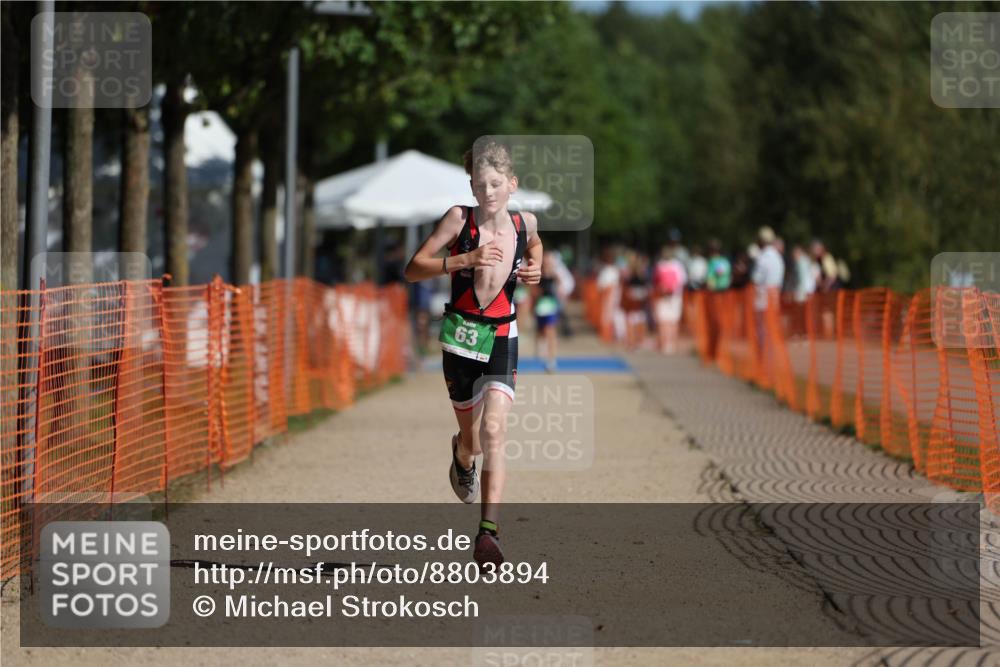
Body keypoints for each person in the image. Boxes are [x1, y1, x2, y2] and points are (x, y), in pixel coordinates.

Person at [404, 140, 542, 569]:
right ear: (471, 185)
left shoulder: (525, 222)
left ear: (512, 184)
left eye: (496, 184)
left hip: (502, 333)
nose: (489, 193)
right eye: (480, 185)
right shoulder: (458, 219)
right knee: (474, 440)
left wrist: (537, 267)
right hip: (462, 335)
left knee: (495, 431)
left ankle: (488, 535)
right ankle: (461, 455)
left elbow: (536, 247)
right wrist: (464, 258)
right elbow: (413, 269)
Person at [751, 226, 785, 358]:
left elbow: (756, 279)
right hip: (774, 297)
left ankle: (764, 361)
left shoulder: (763, 258)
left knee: (762, 331)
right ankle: (769, 359)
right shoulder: (778, 257)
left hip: (762, 298)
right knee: (771, 330)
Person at [652, 246, 687, 354]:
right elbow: (683, 280)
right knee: (671, 320)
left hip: (665, 296)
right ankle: (670, 343)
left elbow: (655, 282)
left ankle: (666, 344)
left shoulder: (661, 265)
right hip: (673, 296)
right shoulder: (677, 266)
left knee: (665, 320)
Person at [533, 251, 562, 372]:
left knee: (550, 332)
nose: (547, 263)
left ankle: (552, 360)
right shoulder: (538, 274)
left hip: (550, 306)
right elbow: (533, 291)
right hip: (540, 306)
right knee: (541, 332)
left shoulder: (554, 275)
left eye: (549, 261)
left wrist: (559, 303)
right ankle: (543, 354)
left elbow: (559, 289)